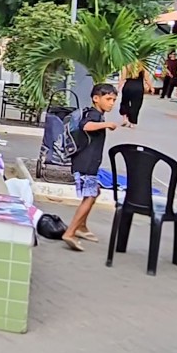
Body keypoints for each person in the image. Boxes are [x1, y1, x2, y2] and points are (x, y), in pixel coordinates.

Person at [62, 83, 118, 252]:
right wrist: (107, 125)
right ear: (96, 99)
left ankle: (82, 227)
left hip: (89, 163)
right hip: (86, 164)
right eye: (108, 99)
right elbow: (85, 126)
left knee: (95, 192)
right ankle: (70, 232)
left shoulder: (96, 114)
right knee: (90, 196)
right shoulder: (94, 115)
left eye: (114, 100)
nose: (112, 103)